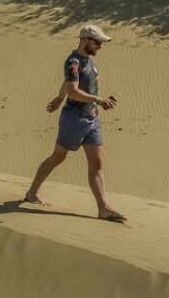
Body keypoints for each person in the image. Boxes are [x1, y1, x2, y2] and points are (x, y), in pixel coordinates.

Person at [22, 24, 126, 222]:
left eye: (101, 43)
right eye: (97, 42)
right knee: (58, 157)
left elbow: (67, 86)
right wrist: (98, 100)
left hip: (92, 119)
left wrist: (60, 97)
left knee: (97, 163)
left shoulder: (89, 61)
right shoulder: (73, 62)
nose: (100, 46)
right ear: (85, 39)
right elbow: (73, 89)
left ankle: (103, 208)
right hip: (74, 119)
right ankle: (32, 193)